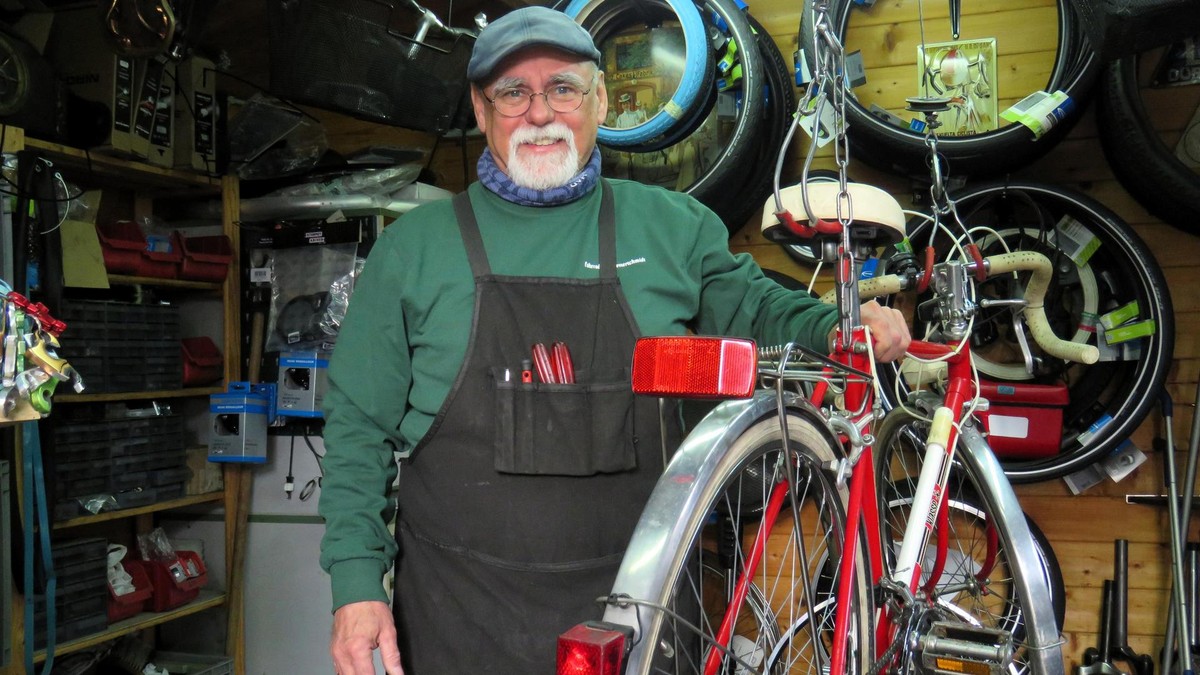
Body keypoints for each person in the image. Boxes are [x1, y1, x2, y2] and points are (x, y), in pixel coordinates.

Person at [319, 6, 910, 674]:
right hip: (456, 620)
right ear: (481, 112)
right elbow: (357, 431)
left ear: (600, 100)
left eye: (563, 88)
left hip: (641, 620)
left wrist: (836, 326)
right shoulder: (412, 251)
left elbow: (755, 306)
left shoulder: (673, 227)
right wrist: (356, 584)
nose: (540, 113)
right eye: (512, 93)